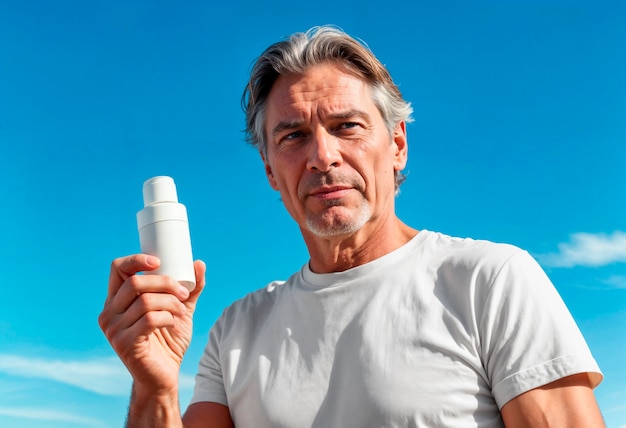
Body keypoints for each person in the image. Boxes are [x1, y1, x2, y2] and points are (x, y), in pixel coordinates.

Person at [99, 26, 605, 427]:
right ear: (271, 171)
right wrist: (154, 387)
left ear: (398, 144)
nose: (323, 156)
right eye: (293, 135)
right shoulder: (236, 331)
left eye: (347, 127)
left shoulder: (490, 281)